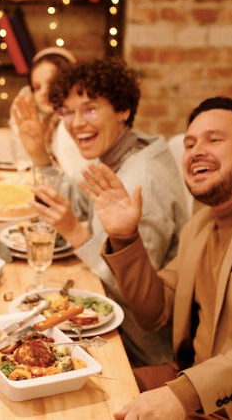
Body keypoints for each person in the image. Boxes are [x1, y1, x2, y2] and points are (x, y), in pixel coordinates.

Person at [81, 97, 232, 420]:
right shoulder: (201, 225)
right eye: (190, 143)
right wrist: (125, 237)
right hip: (194, 386)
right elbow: (154, 311)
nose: (195, 151)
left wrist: (183, 394)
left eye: (214, 139)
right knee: (80, 391)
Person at [31, 58, 188, 368]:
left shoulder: (142, 180)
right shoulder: (122, 150)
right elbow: (76, 201)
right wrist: (38, 150)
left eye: (90, 109)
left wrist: (75, 232)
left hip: (141, 349)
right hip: (112, 321)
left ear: (122, 109)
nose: (76, 124)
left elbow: (135, 295)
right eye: (67, 112)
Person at [10, 47, 88, 177]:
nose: (44, 92)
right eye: (37, 87)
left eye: (52, 83)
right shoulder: (46, 123)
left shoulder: (69, 128)